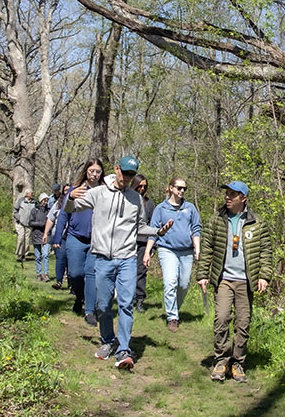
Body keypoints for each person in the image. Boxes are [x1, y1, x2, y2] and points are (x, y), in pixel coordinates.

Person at [65, 156, 172, 370]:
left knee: (125, 304)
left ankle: (124, 348)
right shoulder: (98, 192)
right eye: (125, 173)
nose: (128, 178)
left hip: (127, 258)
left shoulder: (136, 199)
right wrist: (70, 197)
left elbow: (140, 227)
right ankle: (107, 341)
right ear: (116, 169)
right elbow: (71, 208)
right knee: (103, 305)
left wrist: (158, 231)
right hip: (103, 257)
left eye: (132, 174)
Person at [196, 181, 273, 383]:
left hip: (245, 282)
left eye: (232, 194)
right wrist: (203, 274)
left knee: (243, 323)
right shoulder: (217, 220)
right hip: (224, 279)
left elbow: (266, 251)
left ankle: (237, 363)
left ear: (243, 198)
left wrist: (264, 276)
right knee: (221, 319)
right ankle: (221, 361)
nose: (227, 197)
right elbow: (207, 248)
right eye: (227, 193)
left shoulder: (257, 223)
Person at [143, 176, 201, 332]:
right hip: (167, 249)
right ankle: (172, 317)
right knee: (170, 282)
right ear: (171, 188)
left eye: (184, 189)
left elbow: (196, 229)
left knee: (184, 284)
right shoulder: (161, 209)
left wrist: (197, 248)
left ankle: (174, 308)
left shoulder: (190, 208)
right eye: (179, 188)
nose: (182, 191)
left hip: (186, 251)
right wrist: (147, 252)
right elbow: (153, 231)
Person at [51, 161, 100, 315]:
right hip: (75, 237)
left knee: (91, 274)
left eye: (98, 171)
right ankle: (80, 297)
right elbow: (63, 214)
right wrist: (57, 237)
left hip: (96, 240)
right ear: (86, 171)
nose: (94, 174)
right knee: (75, 274)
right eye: (91, 171)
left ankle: (90, 311)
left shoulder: (104, 191)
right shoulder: (75, 190)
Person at [131, 174, 156, 313]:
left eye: (144, 186)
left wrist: (153, 247)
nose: (142, 189)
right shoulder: (127, 199)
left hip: (143, 242)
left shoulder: (149, 204)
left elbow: (153, 225)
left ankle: (140, 299)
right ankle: (126, 298)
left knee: (141, 271)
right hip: (127, 241)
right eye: (139, 186)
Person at [45, 183, 72, 289]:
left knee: (71, 261)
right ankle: (59, 281)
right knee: (61, 258)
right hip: (59, 235)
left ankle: (72, 284)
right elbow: (50, 218)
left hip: (72, 235)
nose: (67, 192)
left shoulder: (78, 202)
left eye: (69, 190)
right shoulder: (58, 204)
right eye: (65, 190)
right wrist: (45, 233)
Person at [29, 193, 51, 281]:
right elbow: (30, 222)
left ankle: (45, 274)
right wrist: (40, 224)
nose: (45, 202)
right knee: (38, 256)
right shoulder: (34, 210)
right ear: (40, 200)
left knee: (45, 255)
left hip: (46, 234)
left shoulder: (49, 211)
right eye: (44, 200)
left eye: (47, 200)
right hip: (36, 234)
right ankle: (39, 274)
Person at [13, 189, 35, 264]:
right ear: (27, 194)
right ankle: (19, 254)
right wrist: (19, 218)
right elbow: (15, 211)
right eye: (31, 193)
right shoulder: (21, 201)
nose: (32, 194)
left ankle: (24, 255)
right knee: (21, 238)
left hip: (29, 224)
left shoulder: (34, 202)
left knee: (27, 240)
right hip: (20, 223)